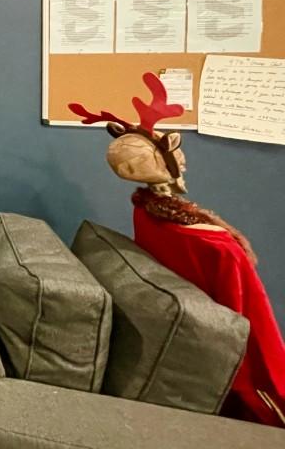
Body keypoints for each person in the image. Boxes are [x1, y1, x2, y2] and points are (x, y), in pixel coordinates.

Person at [70, 73, 285, 427]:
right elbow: (255, 337)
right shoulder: (217, 247)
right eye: (174, 151)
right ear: (159, 162)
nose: (182, 160)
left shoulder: (149, 215)